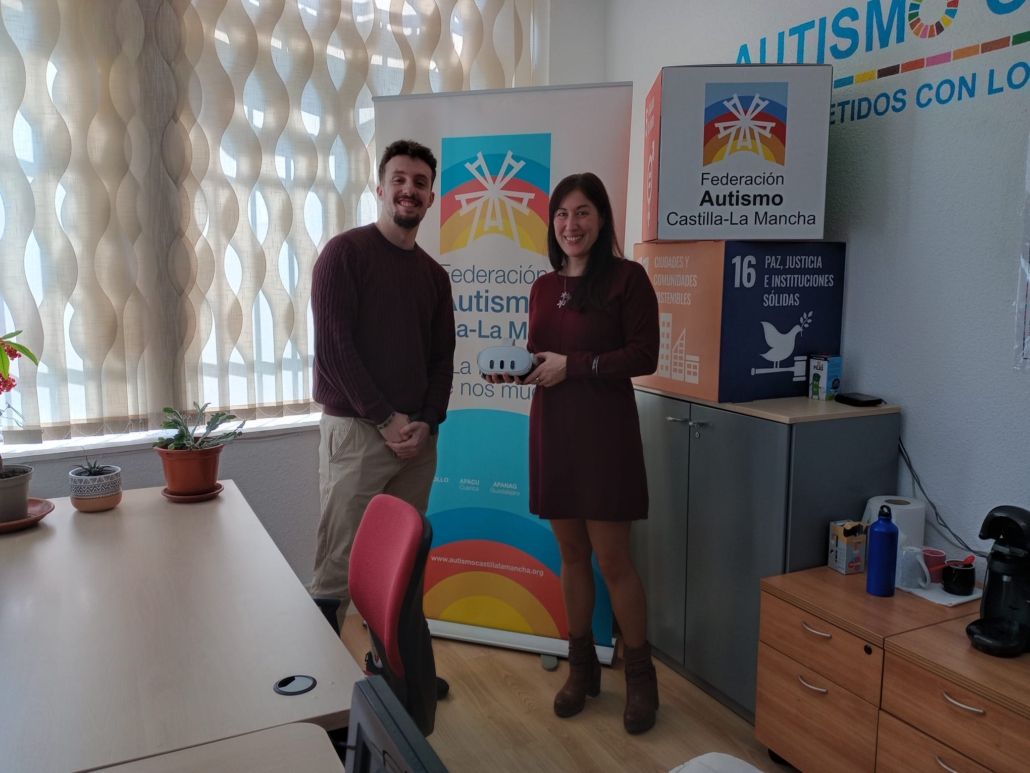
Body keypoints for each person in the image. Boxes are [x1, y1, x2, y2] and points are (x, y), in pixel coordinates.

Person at [485, 173, 661, 733]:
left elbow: (645, 355)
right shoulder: (542, 286)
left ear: (601, 219)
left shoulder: (628, 279)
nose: (571, 224)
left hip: (606, 436)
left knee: (613, 560)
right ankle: (581, 668)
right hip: (553, 431)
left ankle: (641, 678)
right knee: (571, 554)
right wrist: (520, 370)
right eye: (561, 214)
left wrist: (574, 366)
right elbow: (544, 355)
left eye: (582, 212)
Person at [310, 139, 456, 697]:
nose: (408, 190)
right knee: (337, 570)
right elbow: (336, 351)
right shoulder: (344, 255)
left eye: (420, 182)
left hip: (416, 443)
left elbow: (442, 360)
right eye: (399, 179)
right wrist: (386, 418)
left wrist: (428, 421)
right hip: (357, 434)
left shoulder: (433, 277)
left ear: (431, 197)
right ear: (379, 187)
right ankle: (322, 698)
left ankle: (402, 678)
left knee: (401, 568)